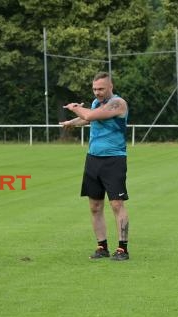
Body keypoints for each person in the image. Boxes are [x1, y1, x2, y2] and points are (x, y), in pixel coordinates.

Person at [60, 71, 130, 261]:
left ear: (110, 87)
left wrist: (74, 108)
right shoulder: (94, 104)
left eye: (101, 89)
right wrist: (71, 122)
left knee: (116, 203)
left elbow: (90, 116)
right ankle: (102, 247)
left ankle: (122, 248)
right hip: (93, 159)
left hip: (114, 159)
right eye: (94, 89)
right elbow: (88, 118)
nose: (97, 92)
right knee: (95, 206)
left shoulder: (118, 103)